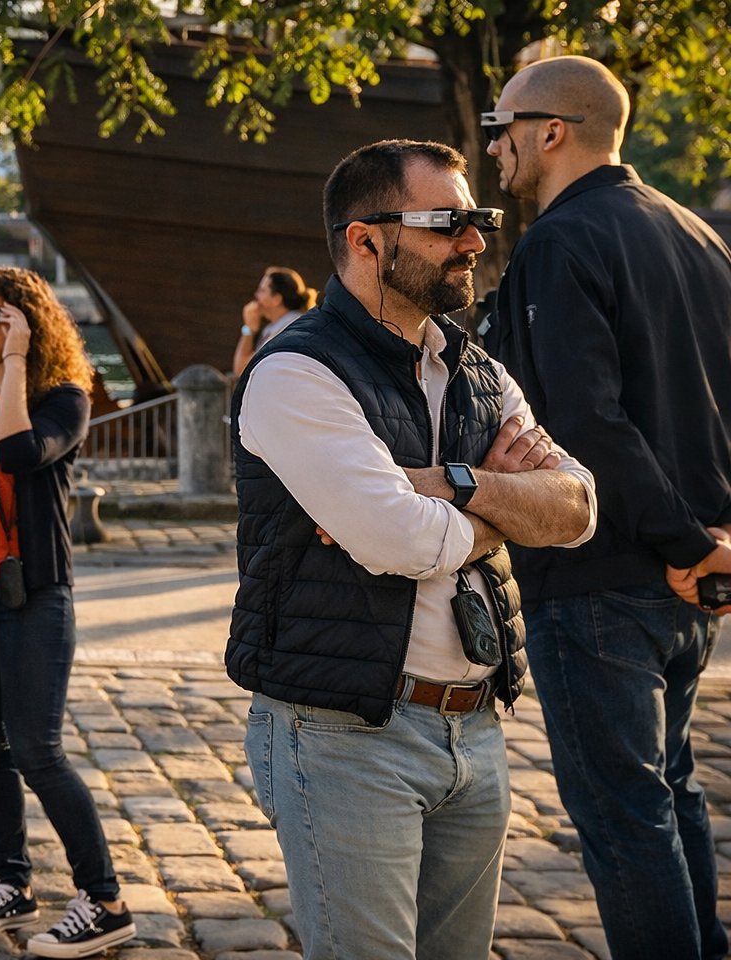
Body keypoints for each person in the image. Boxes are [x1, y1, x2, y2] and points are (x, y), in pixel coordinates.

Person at [229, 139, 598, 960]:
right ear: (366, 241)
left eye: (480, 219)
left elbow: (577, 510)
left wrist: (449, 483)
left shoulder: (477, 370)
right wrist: (504, 510)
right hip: (345, 733)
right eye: (448, 222)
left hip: (476, 727)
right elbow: (397, 540)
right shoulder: (297, 372)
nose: (475, 240)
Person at [483, 55, 731, 960]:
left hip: (602, 575)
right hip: (690, 577)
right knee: (674, 795)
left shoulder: (559, 240)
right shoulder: (700, 236)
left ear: (551, 131)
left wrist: (678, 538)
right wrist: (713, 544)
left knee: (628, 822)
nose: (494, 146)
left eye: (500, 124)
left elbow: (588, 419)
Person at [0, 267, 134, 958]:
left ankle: (105, 899)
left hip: (33, 596)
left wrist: (15, 365)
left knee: (37, 751)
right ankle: (11, 883)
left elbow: (17, 453)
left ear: (29, 322)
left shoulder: (63, 399)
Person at [230, 266, 317, 375]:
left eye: (262, 291)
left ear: (276, 299)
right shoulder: (275, 327)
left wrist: (249, 329)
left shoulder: (287, 328)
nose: (256, 296)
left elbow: (241, 368)